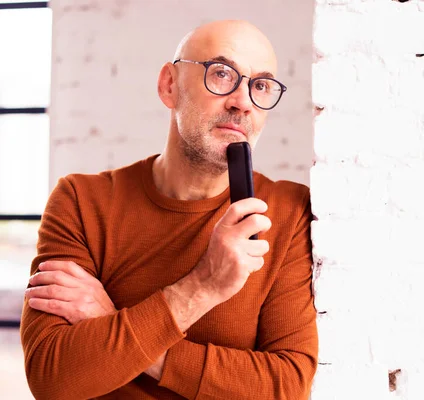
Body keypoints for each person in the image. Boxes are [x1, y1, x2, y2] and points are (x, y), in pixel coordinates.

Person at [20, 20, 318, 400]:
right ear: (169, 85)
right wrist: (203, 287)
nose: (242, 101)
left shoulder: (288, 211)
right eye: (222, 74)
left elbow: (287, 387)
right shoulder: (81, 200)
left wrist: (116, 328)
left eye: (260, 85)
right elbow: (53, 379)